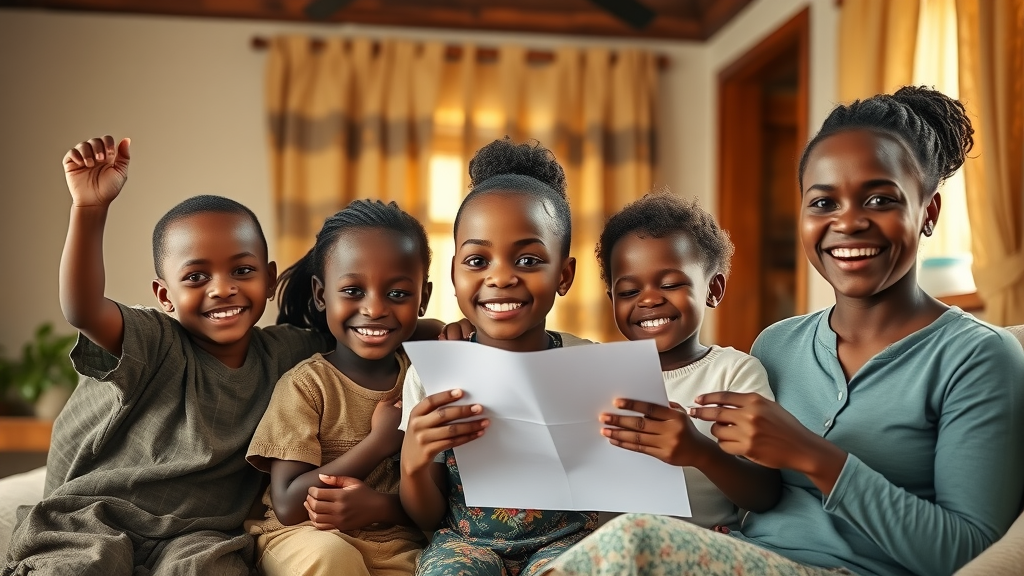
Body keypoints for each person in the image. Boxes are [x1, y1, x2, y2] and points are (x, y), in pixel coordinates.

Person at [542, 86, 1024, 576]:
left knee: (635, 542)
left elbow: (973, 553)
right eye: (823, 202)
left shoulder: (978, 356)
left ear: (929, 213)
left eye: (879, 199)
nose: (849, 222)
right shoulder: (779, 345)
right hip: (744, 558)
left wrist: (814, 455)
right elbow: (752, 492)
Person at [1, 135, 332, 576]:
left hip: (198, 535)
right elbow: (81, 308)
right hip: (99, 516)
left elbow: (366, 330)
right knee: (81, 565)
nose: (222, 287)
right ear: (165, 296)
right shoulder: (153, 340)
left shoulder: (287, 351)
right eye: (196, 276)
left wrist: (446, 329)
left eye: (242, 270)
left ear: (269, 280)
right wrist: (89, 209)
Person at [399, 138, 598, 576]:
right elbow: (427, 517)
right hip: (463, 544)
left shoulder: (589, 364)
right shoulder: (435, 372)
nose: (501, 277)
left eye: (527, 259)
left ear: (564, 275)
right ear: (454, 274)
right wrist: (413, 460)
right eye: (477, 259)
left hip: (568, 540)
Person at [245, 199, 434, 576]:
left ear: (423, 299)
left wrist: (380, 506)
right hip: (305, 536)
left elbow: (442, 501)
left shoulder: (425, 377)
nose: (375, 308)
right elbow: (287, 503)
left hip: (396, 543)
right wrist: (380, 442)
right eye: (353, 291)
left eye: (398, 294)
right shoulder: (307, 386)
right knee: (332, 558)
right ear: (321, 295)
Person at [593, 192, 780, 529]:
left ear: (713, 289)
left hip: (697, 547)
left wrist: (700, 452)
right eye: (629, 292)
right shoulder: (596, 374)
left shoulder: (733, 373)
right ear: (612, 301)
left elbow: (766, 494)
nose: (649, 299)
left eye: (670, 284)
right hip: (607, 550)